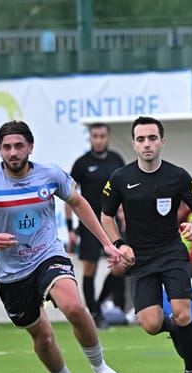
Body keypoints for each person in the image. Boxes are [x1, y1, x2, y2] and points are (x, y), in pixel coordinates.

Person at [0, 120, 128, 373]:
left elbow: (79, 202)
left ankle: (100, 366)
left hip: (47, 254)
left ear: (30, 147)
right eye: (7, 147)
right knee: (44, 338)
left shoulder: (50, 175)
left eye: (19, 146)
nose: (13, 152)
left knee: (74, 307)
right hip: (11, 272)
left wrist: (107, 243)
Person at [100, 116, 192, 373]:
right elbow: (106, 216)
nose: (147, 144)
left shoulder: (178, 176)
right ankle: (175, 330)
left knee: (183, 314)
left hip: (172, 252)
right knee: (150, 324)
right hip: (140, 257)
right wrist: (119, 243)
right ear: (133, 143)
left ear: (162, 141)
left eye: (152, 138)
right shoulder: (120, 178)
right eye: (141, 139)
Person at [65, 123, 127, 329]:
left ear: (107, 137)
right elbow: (69, 197)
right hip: (89, 224)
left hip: (111, 222)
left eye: (102, 136)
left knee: (120, 265)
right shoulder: (82, 164)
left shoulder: (116, 160)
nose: (98, 140)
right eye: (95, 136)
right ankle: (92, 313)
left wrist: (125, 215)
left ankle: (99, 305)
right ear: (90, 138)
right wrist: (70, 228)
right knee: (89, 267)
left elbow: (125, 191)